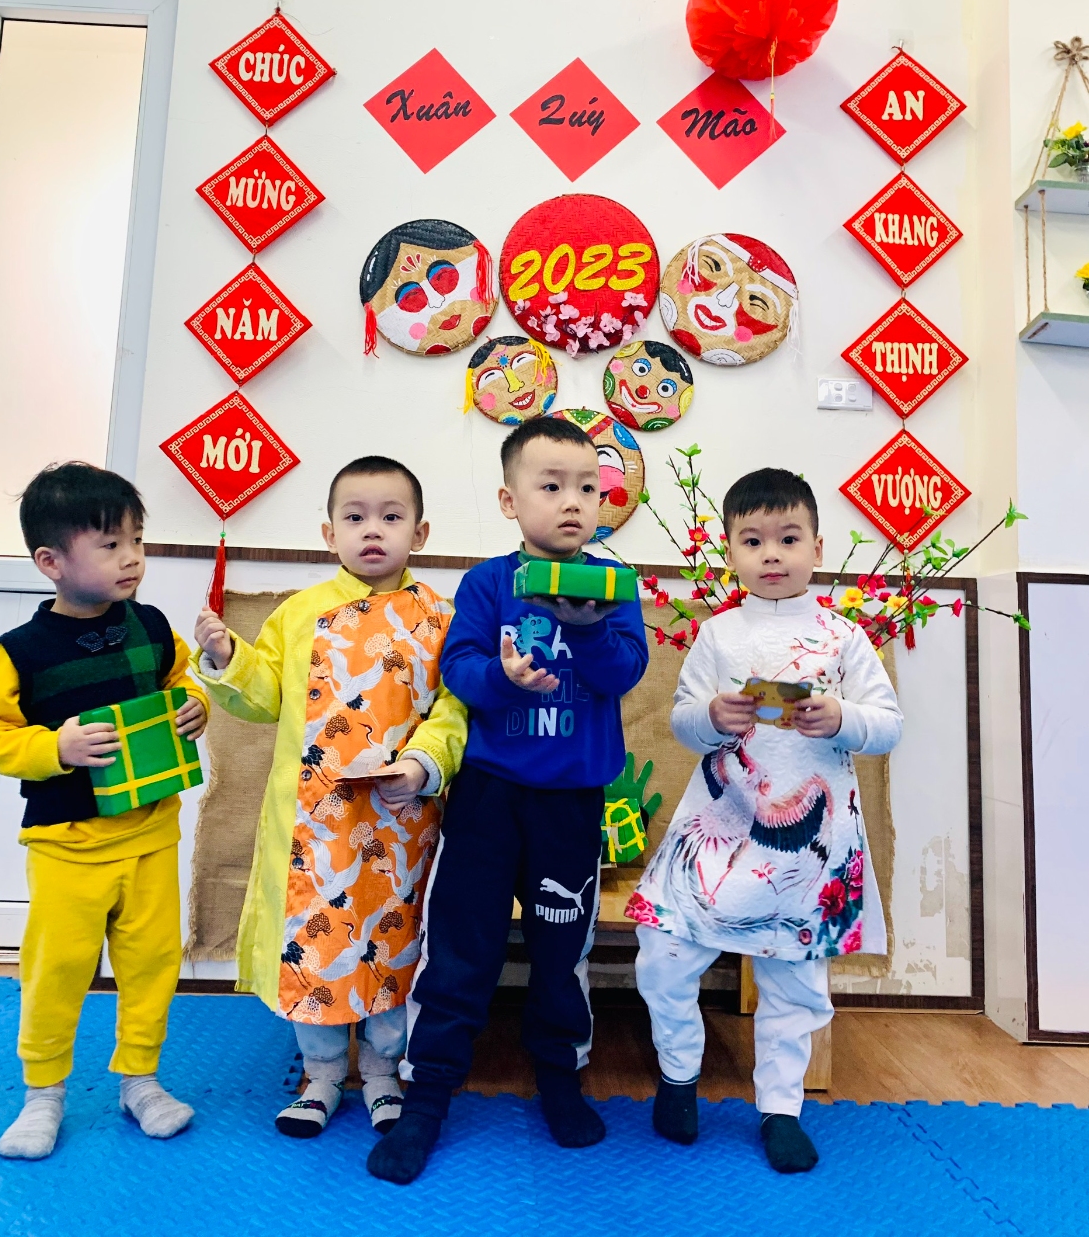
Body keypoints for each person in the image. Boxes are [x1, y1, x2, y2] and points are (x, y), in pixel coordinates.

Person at [368, 415, 650, 1186]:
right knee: (461, 949)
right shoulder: (489, 583)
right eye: (550, 486)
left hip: (571, 801)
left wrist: (586, 632)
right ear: (509, 499)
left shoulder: (614, 585)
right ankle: (427, 1094)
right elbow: (458, 669)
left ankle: (559, 1076)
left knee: (562, 951)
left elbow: (624, 671)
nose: (572, 501)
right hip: (489, 797)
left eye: (587, 487)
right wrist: (505, 678)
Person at [626, 468, 903, 1172]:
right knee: (662, 953)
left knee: (794, 982)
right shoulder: (719, 634)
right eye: (752, 541)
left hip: (809, 846)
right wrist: (711, 716)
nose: (771, 554)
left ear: (817, 546)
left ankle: (781, 1107)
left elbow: (887, 725)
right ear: (729, 551)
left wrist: (842, 717)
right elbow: (685, 721)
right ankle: (678, 1076)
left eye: (787, 538)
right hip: (720, 825)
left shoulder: (842, 636)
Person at [192, 456, 466, 1139]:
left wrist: (424, 766)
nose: (372, 530)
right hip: (312, 828)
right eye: (355, 517)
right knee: (313, 947)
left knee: (391, 943)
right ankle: (318, 1075)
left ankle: (381, 1073)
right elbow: (263, 698)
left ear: (420, 533)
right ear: (329, 532)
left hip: (400, 821)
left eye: (391, 517)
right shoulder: (299, 614)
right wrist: (227, 658)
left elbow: (454, 710)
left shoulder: (441, 618)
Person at [0, 462, 210, 1159]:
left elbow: (182, 681)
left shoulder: (152, 626)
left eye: (137, 539)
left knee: (153, 962)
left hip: (152, 834)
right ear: (51, 562)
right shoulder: (20, 652)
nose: (131, 556)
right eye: (109, 544)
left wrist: (195, 706)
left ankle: (140, 1080)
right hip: (67, 844)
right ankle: (43, 1093)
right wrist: (56, 747)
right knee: (58, 970)